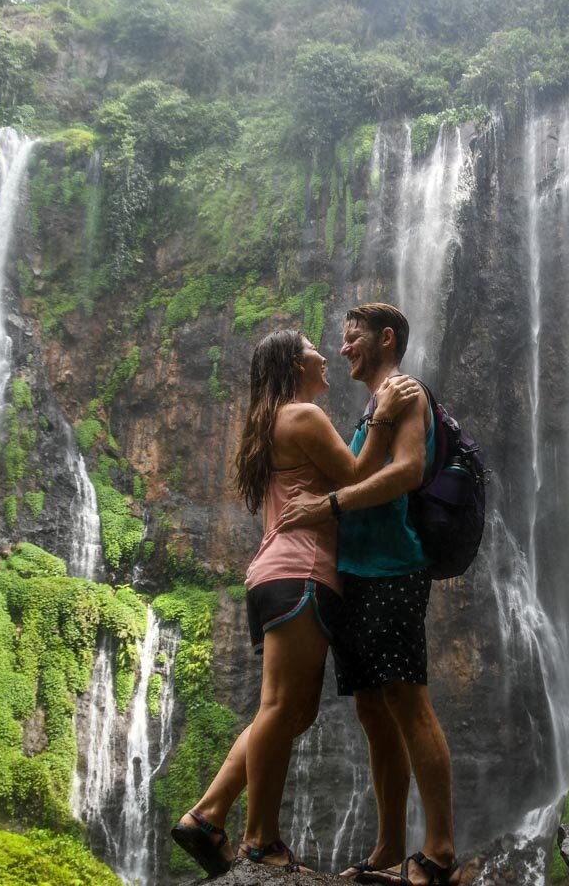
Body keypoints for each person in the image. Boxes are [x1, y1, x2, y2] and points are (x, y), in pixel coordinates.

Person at [171, 329, 416, 875]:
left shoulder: (276, 420)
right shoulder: (301, 415)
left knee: (293, 710)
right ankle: (258, 840)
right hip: (299, 571)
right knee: (282, 707)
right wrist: (381, 415)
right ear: (290, 363)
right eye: (310, 348)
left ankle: (209, 815)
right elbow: (356, 475)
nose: (324, 355)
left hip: (283, 573)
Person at [275, 303, 462, 886]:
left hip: (391, 571)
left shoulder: (408, 393)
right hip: (354, 575)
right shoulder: (375, 406)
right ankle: (387, 848)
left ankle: (438, 850)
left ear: (386, 339)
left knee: (409, 702)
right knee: (374, 714)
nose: (345, 347)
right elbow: (360, 469)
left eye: (354, 339)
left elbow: (406, 471)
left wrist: (329, 505)